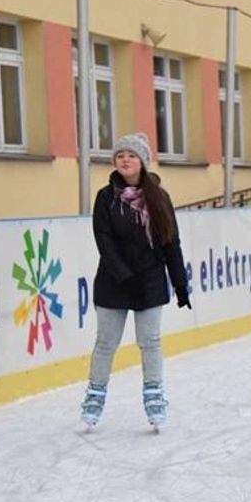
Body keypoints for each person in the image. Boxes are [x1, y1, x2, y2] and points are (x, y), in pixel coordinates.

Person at [81, 133, 192, 430]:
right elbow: (103, 241)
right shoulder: (106, 198)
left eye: (131, 155)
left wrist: (180, 282)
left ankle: (154, 397)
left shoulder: (159, 197)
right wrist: (124, 277)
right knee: (106, 343)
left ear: (142, 160)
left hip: (151, 281)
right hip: (113, 281)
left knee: (150, 342)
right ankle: (94, 396)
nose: (125, 160)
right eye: (120, 155)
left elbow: (171, 242)